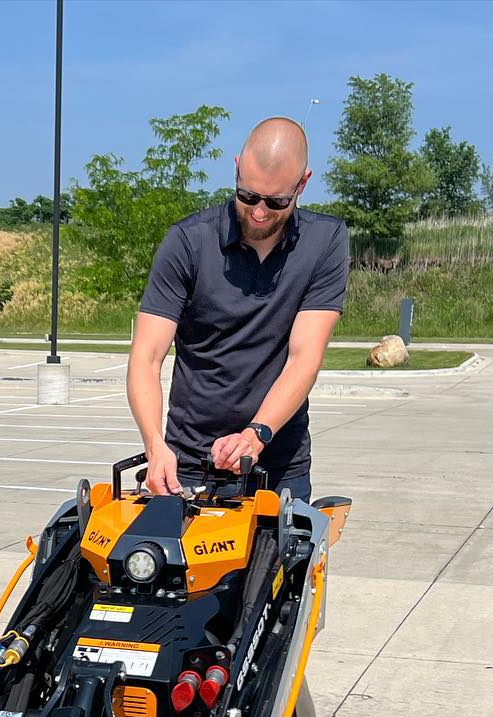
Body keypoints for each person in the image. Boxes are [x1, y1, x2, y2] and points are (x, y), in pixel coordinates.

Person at [127, 116, 349, 501]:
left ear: (303, 183)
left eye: (277, 201)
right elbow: (146, 357)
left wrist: (256, 434)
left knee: (279, 563)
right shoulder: (188, 241)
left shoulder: (325, 242)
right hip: (189, 460)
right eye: (247, 196)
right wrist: (154, 446)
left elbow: (304, 358)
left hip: (278, 463)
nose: (260, 212)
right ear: (236, 169)